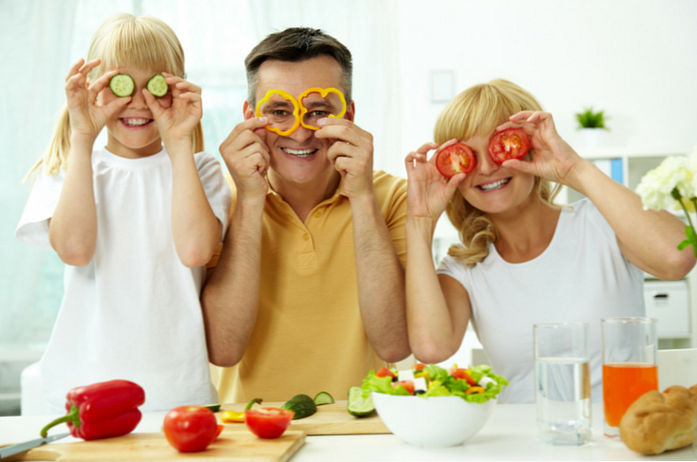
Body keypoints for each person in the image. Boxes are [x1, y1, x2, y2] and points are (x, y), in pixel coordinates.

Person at [404, 79, 695, 403]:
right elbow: (431, 348)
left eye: (501, 147)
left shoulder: (600, 222)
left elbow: (678, 258)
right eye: (466, 156)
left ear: (531, 146)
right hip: (525, 449)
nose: (486, 167)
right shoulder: (464, 268)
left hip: (621, 444)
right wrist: (419, 221)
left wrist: (574, 168)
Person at [16, 14, 232, 412]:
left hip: (178, 391)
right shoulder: (68, 168)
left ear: (177, 88)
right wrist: (82, 138)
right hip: (81, 388)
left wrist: (179, 140)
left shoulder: (201, 169)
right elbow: (75, 250)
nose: (137, 101)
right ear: (94, 90)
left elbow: (196, 251)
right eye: (122, 84)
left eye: (155, 86)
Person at [201, 27, 410, 403]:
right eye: (279, 112)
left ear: (348, 115)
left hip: (363, 431)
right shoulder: (216, 205)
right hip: (249, 433)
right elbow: (224, 348)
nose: (299, 133)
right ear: (250, 116)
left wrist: (360, 194)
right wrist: (250, 201)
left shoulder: (393, 198)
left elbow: (395, 345)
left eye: (318, 112)